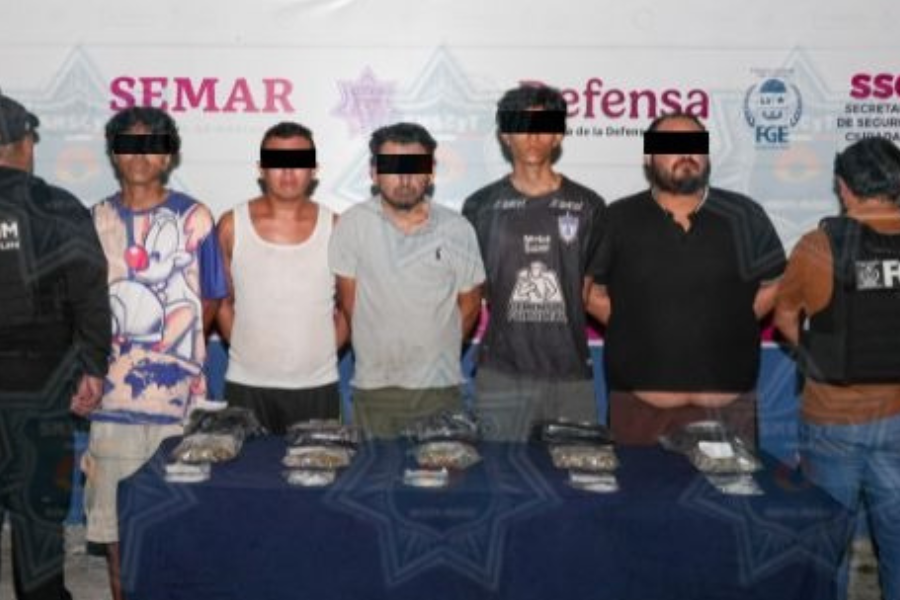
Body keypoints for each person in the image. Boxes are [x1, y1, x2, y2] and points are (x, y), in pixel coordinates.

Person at [83, 107, 227, 600]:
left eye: (152, 145)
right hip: (113, 406)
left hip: (180, 408)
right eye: (129, 144)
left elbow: (212, 297)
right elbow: (81, 306)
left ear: (168, 156)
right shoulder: (95, 220)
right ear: (113, 154)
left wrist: (177, 361)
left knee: (182, 531)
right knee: (116, 532)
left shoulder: (196, 218)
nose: (140, 155)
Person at [590, 112, 785, 446]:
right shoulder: (617, 218)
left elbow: (777, 283)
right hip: (639, 413)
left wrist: (735, 318)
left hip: (727, 412)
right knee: (637, 484)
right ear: (648, 157)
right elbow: (591, 291)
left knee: (732, 486)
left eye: (695, 145)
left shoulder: (744, 215)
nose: (686, 154)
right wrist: (634, 325)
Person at [774, 137, 900, 600]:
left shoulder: (818, 245)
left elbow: (785, 319)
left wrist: (821, 357)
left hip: (833, 418)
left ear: (843, 188)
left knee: (829, 546)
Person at [0, 93, 110, 600]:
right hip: (40, 392)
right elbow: (90, 293)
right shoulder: (58, 207)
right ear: (25, 144)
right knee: (40, 519)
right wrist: (93, 367)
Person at [462, 84, 607, 441]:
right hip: (502, 375)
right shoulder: (480, 206)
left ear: (558, 135)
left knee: (578, 471)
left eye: (543, 126)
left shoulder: (589, 206)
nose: (532, 135)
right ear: (505, 135)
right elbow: (470, 294)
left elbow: (591, 293)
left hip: (570, 376)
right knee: (501, 472)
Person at [329, 122, 485, 439]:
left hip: (440, 389)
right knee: (375, 470)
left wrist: (437, 355)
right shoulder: (352, 225)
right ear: (374, 173)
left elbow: (470, 306)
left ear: (430, 172)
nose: (404, 178)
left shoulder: (458, 229)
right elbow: (349, 305)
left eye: (414, 167)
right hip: (375, 389)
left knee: (443, 470)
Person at [216, 122, 347, 434]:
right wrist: (248, 351)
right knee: (246, 465)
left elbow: (349, 309)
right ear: (261, 169)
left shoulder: (337, 228)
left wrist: (321, 355)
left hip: (317, 387)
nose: (288, 172)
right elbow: (221, 303)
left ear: (314, 169)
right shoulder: (231, 225)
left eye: (299, 161)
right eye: (277, 161)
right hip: (246, 386)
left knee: (319, 465)